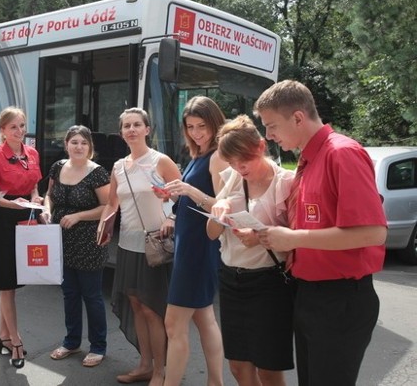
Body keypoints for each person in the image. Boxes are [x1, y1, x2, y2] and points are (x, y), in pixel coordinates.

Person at [253, 80, 387, 386]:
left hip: (339, 301)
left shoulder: (341, 153)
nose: (268, 135)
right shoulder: (309, 158)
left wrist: (293, 239)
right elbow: (313, 224)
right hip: (312, 296)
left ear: (298, 118)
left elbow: (373, 233)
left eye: (271, 126)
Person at [207, 115, 295, 386]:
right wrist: (217, 215)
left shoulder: (286, 182)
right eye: (231, 162)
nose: (238, 167)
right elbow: (211, 234)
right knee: (238, 365)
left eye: (242, 160)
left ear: (259, 146)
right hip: (232, 278)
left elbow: (296, 240)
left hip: (268, 281)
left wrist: (259, 237)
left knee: (268, 369)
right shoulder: (232, 177)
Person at [98, 107, 181, 386]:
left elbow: (184, 197)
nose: (131, 130)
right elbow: (112, 203)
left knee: (151, 308)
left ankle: (161, 370)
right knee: (135, 305)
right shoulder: (119, 166)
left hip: (153, 244)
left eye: (137, 125)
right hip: (127, 244)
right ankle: (145, 365)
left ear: (147, 129)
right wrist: (104, 224)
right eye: (126, 126)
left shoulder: (161, 161)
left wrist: (171, 216)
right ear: (121, 132)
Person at [160, 96, 226, 386]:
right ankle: (216, 382)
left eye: (202, 126)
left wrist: (190, 191)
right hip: (190, 243)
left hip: (200, 246)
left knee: (174, 325)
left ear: (215, 123)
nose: (197, 132)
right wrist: (174, 198)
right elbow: (192, 200)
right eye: (190, 126)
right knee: (204, 318)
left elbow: (224, 207)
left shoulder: (218, 154)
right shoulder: (198, 154)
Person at [43, 125, 111, 368]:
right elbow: (49, 195)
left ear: (90, 147)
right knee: (69, 293)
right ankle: (71, 342)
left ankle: (98, 346)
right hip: (60, 238)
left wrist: (79, 216)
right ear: (66, 145)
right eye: (74, 142)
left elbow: (108, 207)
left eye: (83, 142)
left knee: (91, 296)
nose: (79, 147)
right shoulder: (58, 167)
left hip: (89, 241)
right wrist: (47, 209)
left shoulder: (98, 173)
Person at [0, 106, 43, 369]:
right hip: (3, 222)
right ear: (3, 131)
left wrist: (35, 200)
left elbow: (34, 187)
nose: (19, 131)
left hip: (25, 219)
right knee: (7, 286)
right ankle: (16, 340)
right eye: (13, 127)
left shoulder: (32, 153)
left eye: (21, 125)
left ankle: (3, 335)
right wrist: (18, 204)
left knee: (14, 285)